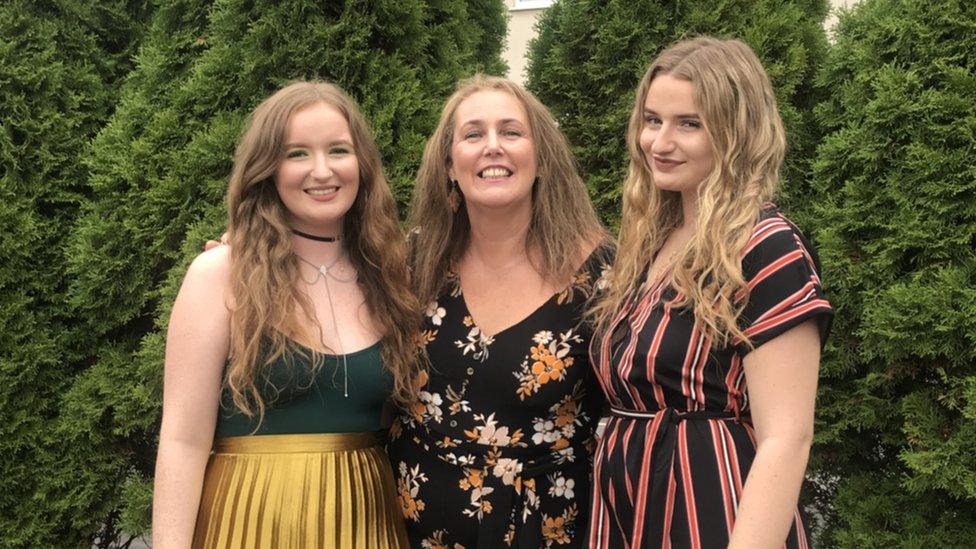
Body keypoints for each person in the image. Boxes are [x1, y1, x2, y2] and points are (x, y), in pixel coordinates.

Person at [587, 37, 833, 548]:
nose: (660, 141)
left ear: (736, 132)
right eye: (653, 120)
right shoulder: (650, 241)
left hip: (713, 514)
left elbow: (787, 439)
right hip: (627, 513)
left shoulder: (766, 246)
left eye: (689, 123)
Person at [152, 81, 420, 548]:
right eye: (297, 153)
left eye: (338, 150)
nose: (322, 170)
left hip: (366, 522)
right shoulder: (221, 275)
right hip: (247, 519)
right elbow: (182, 441)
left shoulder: (391, 277)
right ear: (268, 170)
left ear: (362, 164)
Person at [386, 74, 612, 548]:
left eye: (511, 132)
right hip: (413, 528)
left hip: (549, 529)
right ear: (449, 164)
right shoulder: (412, 261)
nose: (493, 147)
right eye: (473, 134)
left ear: (541, 156)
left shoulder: (602, 273)